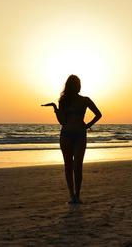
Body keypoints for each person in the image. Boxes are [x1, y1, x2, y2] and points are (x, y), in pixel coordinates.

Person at [42, 75, 102, 204]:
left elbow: (99, 114)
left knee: (78, 165)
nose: (78, 86)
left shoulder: (85, 100)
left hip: (80, 135)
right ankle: (72, 195)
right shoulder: (63, 101)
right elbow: (62, 122)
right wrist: (55, 109)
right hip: (66, 135)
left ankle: (77, 195)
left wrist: (87, 126)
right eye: (76, 84)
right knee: (68, 165)